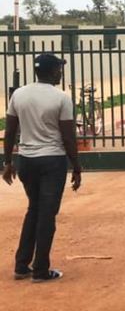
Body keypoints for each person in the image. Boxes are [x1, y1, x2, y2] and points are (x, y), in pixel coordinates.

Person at [2, 53, 82, 282]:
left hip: (26, 161)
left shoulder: (19, 94)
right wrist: (76, 167)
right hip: (52, 162)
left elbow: (10, 131)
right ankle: (40, 270)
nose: (61, 72)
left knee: (34, 209)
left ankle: (21, 266)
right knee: (47, 215)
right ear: (52, 71)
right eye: (59, 68)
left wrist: (7, 162)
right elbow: (68, 137)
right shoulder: (61, 98)